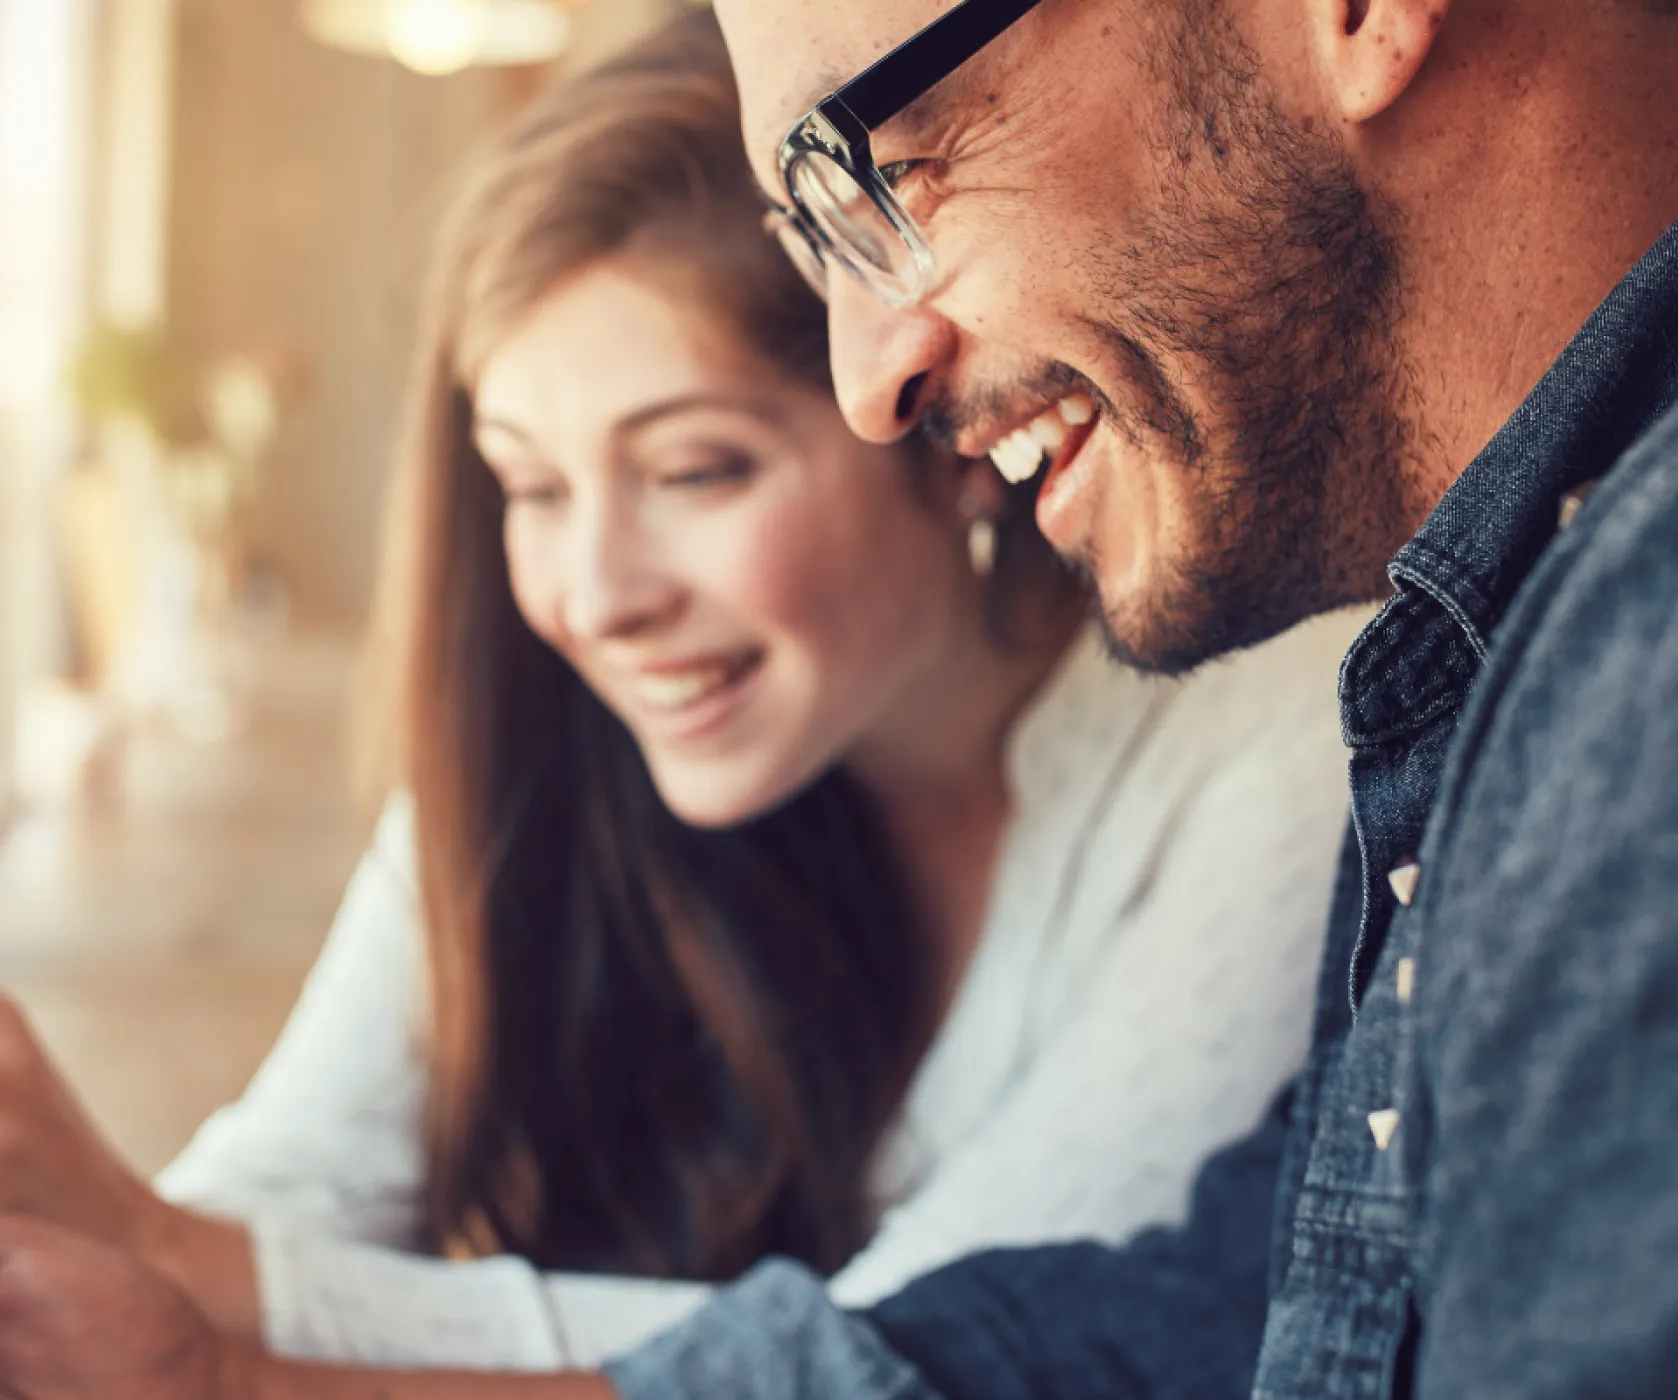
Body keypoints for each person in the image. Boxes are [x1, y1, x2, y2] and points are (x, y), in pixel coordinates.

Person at [6, 0, 1678, 1396]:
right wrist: (203, 1363)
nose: (870, 373)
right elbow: (1126, 1348)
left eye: (887, 166)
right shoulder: (1585, 613)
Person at [0, 6, 1363, 1382]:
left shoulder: (1291, 737)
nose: (596, 596)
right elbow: (286, 1187)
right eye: (531, 486)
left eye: (695, 471)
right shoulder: (560, 737)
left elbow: (928, 1352)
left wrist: (182, 1279)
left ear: (931, 416)